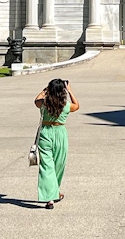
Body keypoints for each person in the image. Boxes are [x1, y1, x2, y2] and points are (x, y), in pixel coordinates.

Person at [34, 78, 80, 209]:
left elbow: (35, 100)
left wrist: (45, 91)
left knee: (47, 166)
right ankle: (54, 193)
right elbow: (77, 105)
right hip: (60, 133)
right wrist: (70, 91)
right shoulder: (65, 105)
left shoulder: (43, 103)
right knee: (59, 164)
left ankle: (50, 196)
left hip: (45, 132)